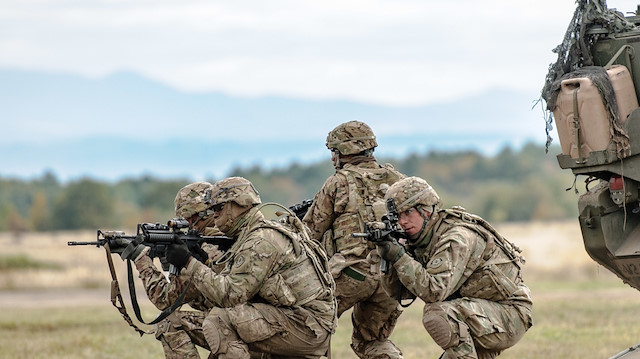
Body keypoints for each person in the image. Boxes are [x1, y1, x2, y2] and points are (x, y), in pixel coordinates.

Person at [164, 176, 337, 359]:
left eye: (218, 208)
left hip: (307, 327)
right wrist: (206, 264)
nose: (214, 215)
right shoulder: (251, 234)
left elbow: (230, 295)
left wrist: (189, 263)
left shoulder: (260, 240)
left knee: (219, 321)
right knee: (218, 327)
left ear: (237, 205)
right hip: (295, 320)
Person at [377, 176, 533, 359]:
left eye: (408, 213)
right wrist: (388, 258)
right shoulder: (419, 239)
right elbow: (401, 294)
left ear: (426, 210)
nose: (402, 222)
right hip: (476, 313)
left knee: (437, 314)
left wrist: (399, 256)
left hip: (508, 314)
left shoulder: (456, 237)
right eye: (398, 216)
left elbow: (433, 292)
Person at [302, 120, 406, 359]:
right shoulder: (398, 180)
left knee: (310, 330)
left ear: (344, 153)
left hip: (351, 273)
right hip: (391, 278)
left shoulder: (338, 182)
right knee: (372, 341)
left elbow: (309, 234)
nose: (332, 159)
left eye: (334, 153)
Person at [121, 181, 221, 359]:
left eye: (189, 219)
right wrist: (169, 263)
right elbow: (198, 296)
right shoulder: (230, 238)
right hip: (249, 325)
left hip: (243, 330)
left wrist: (141, 259)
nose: (189, 225)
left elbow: (165, 299)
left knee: (168, 323)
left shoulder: (212, 247)